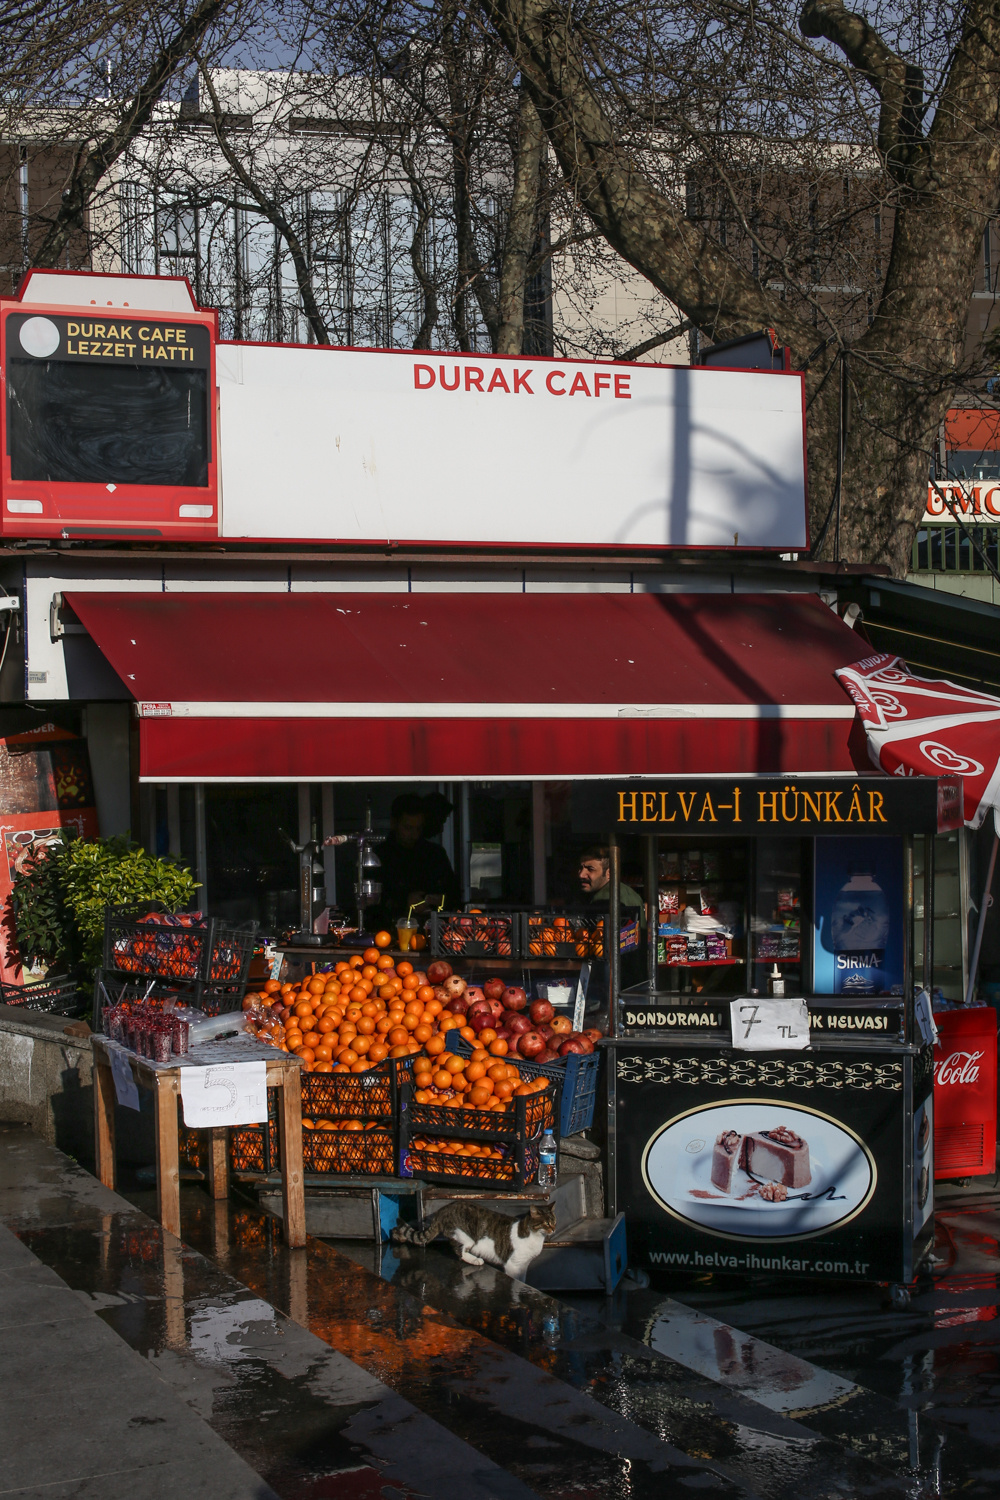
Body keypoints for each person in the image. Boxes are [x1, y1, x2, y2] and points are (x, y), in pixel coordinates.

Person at [372, 793, 461, 929]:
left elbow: (454, 896)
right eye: (408, 828)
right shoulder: (378, 857)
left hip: (433, 933)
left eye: (418, 828)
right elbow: (370, 906)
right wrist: (404, 902)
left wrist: (440, 900)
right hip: (389, 933)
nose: (414, 835)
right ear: (394, 823)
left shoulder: (435, 854)